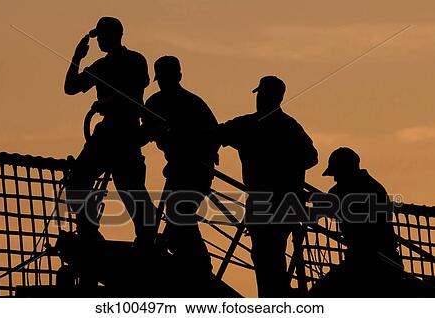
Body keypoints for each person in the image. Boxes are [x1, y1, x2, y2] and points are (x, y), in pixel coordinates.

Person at [214, 76, 318, 297]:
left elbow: (216, 134)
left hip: (265, 201)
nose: (259, 98)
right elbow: (311, 157)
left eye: (262, 93)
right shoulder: (288, 126)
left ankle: (272, 300)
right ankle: (275, 298)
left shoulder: (249, 125)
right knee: (272, 255)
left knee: (265, 255)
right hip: (286, 201)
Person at [63, 16, 155, 245]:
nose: (100, 41)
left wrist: (108, 103)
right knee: (79, 180)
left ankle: (146, 237)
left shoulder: (135, 60)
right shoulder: (100, 66)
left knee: (130, 189)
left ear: (114, 36)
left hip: (125, 131)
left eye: (102, 36)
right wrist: (77, 57)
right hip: (110, 132)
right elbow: (70, 87)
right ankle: (89, 231)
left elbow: (134, 93)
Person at [141, 56, 219, 276]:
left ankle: (200, 266)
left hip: (194, 169)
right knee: (180, 216)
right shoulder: (185, 103)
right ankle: (190, 260)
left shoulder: (183, 103)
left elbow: (214, 136)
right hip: (184, 169)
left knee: (180, 215)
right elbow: (145, 133)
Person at [310, 147, 402, 296]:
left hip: (366, 262)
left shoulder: (348, 190)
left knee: (319, 294)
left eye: (336, 174)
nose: (334, 179)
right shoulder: (371, 185)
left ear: (346, 170)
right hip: (380, 259)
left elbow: (322, 209)